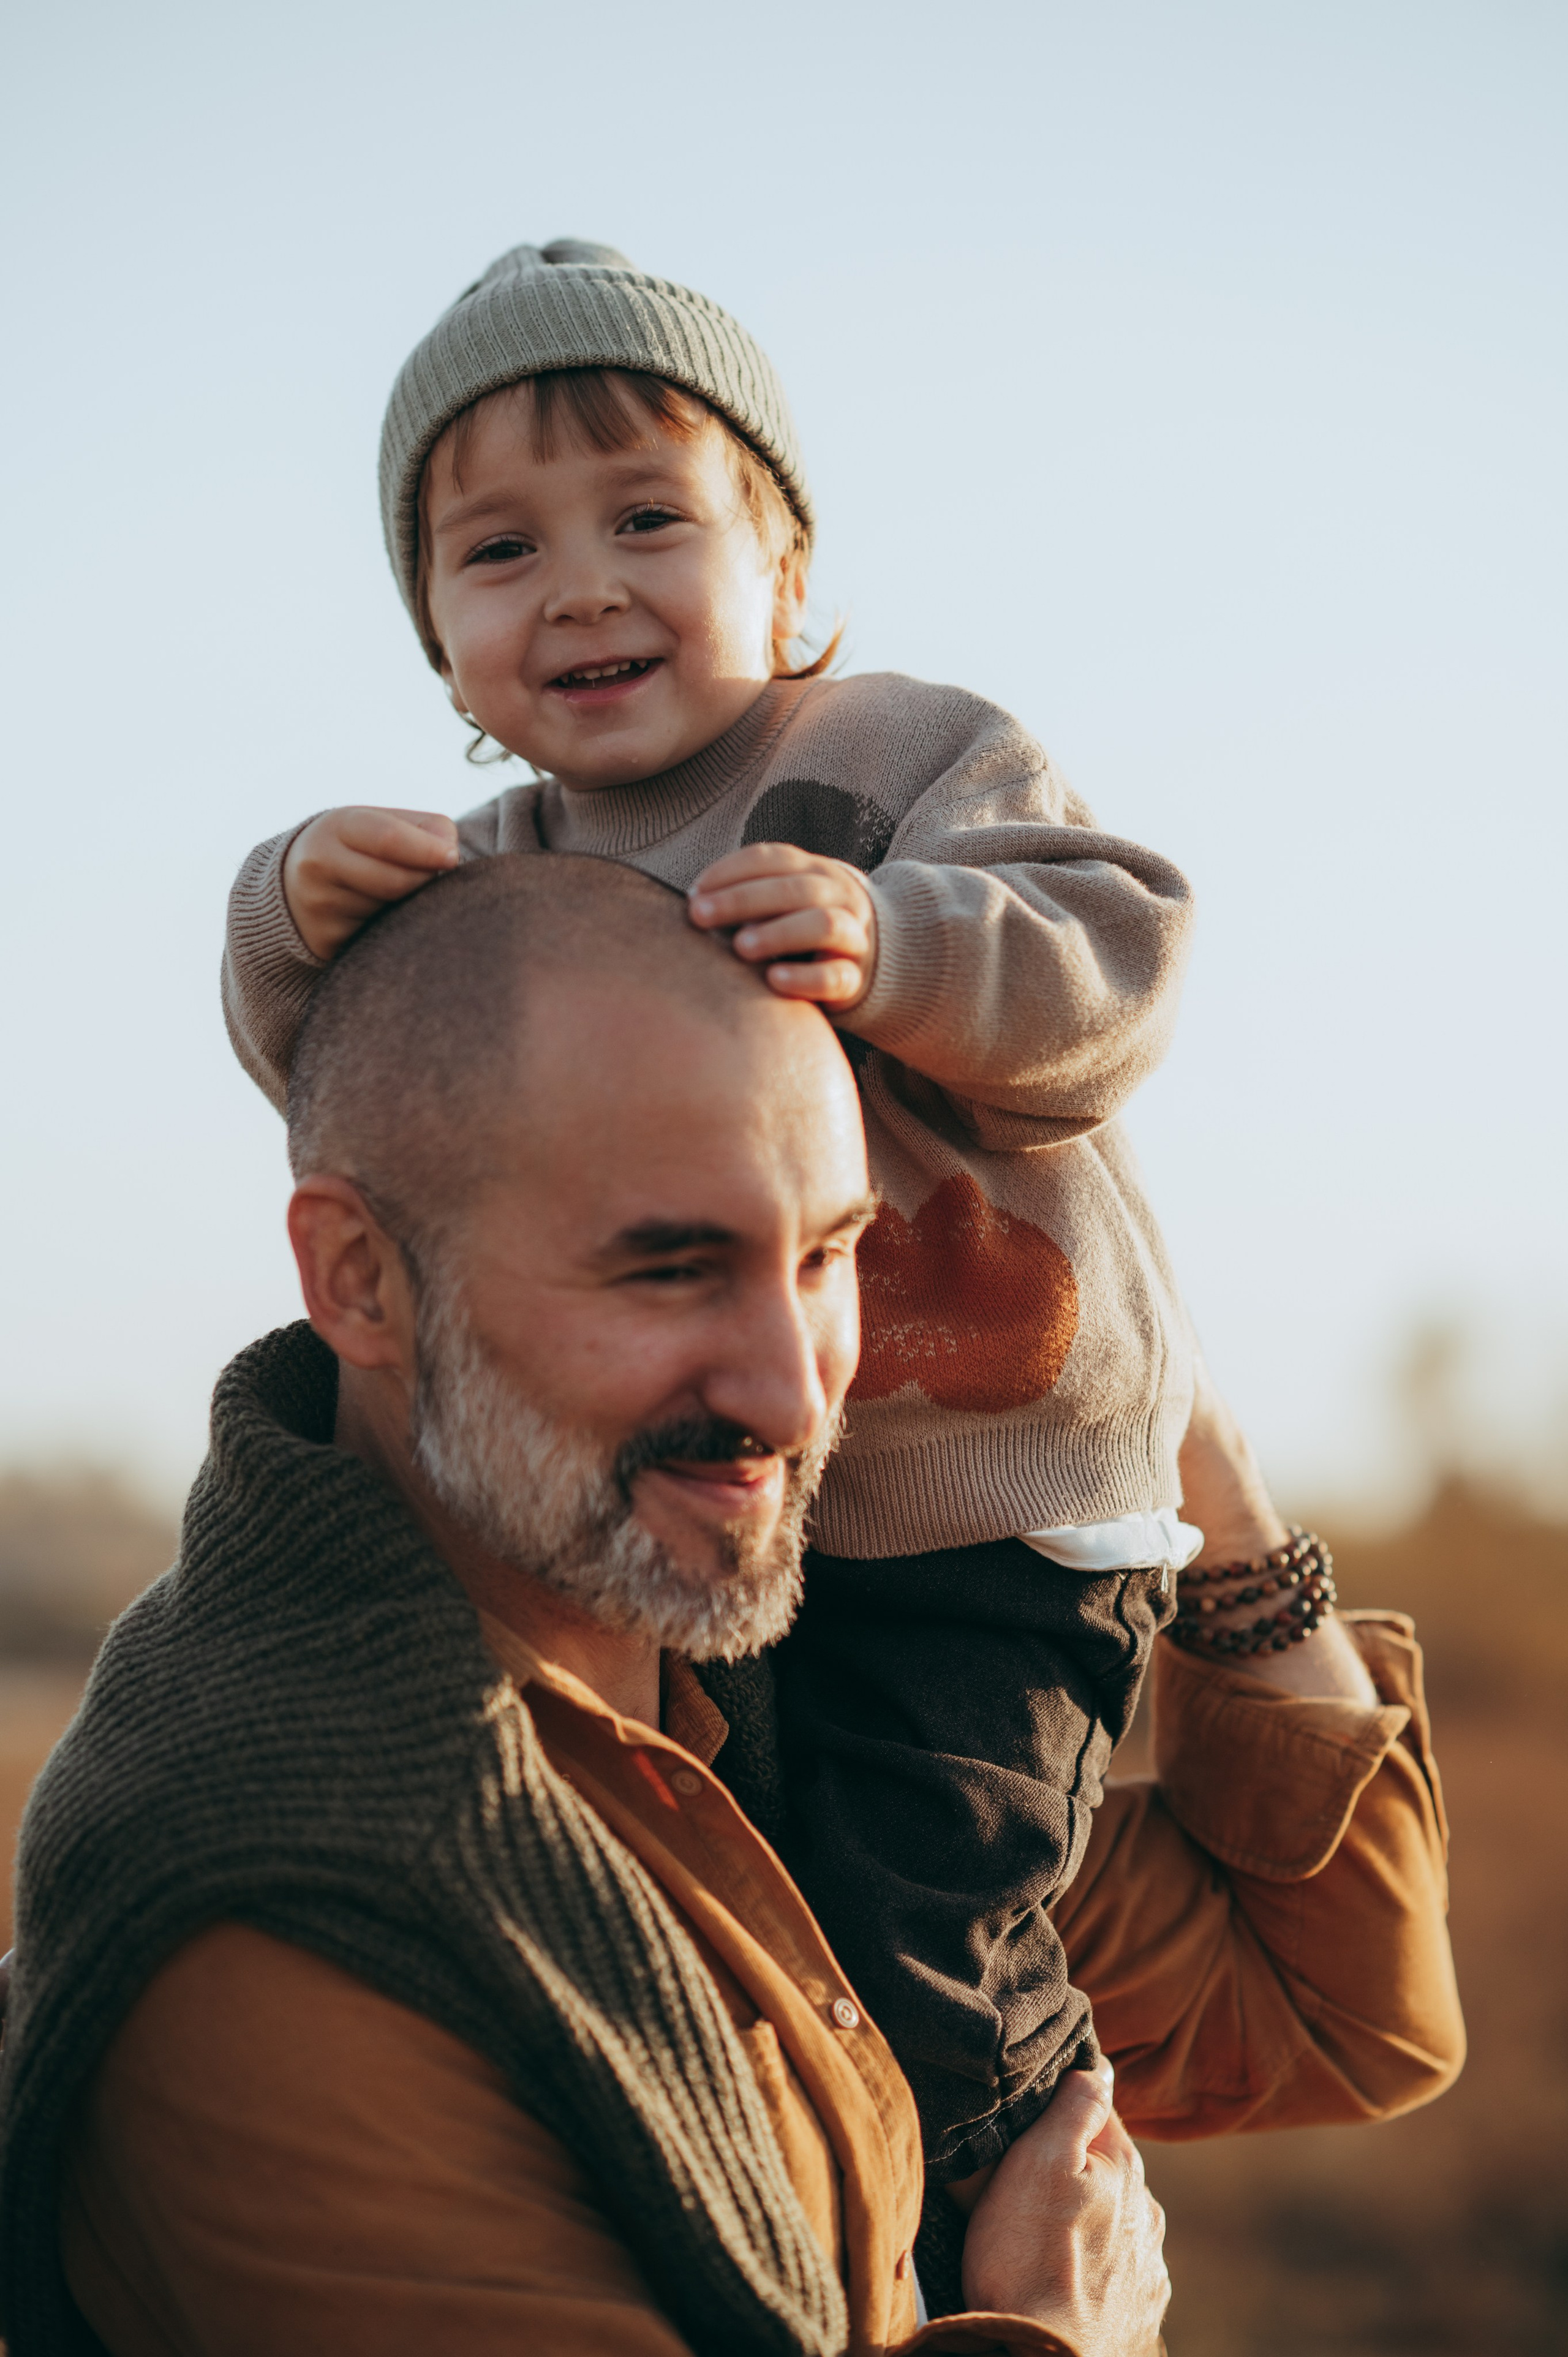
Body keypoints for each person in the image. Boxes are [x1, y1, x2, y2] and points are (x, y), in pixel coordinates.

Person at [219, 236, 1346, 2189]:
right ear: (439, 642)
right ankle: (739, 2195)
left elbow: (1122, 960)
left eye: (649, 516)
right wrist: (281, 914)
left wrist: (900, 938)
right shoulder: (497, 865)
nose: (578, 583)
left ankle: (973, 2226)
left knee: (919, 1936)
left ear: (795, 576)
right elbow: (373, 1085)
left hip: (994, 1502)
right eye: (498, 553)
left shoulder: (898, 756)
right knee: (729, 1909)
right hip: (734, 1505)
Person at [0, 862, 1461, 2357]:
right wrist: (1049, 2341)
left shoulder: (740, 1699)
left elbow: (1343, 2011)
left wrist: (1177, 1432)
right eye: (672, 1269)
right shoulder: (288, 1916)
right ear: (362, 1281)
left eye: (829, 1255)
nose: (791, 1388)